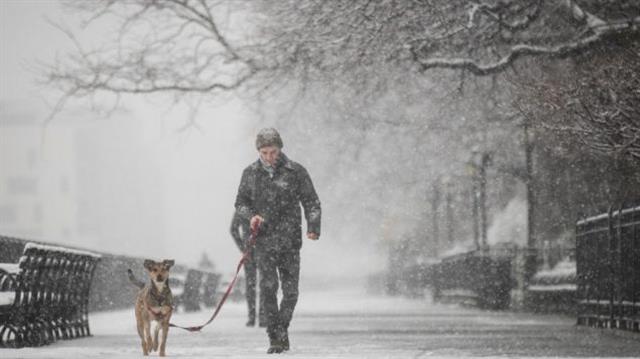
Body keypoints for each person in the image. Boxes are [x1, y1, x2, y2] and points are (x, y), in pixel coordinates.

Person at [234, 128, 321, 354]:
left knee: (291, 292)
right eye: (264, 152)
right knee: (269, 288)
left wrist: (313, 228)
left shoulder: (296, 171)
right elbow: (240, 203)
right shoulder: (250, 174)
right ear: (258, 151)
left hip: (290, 241)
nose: (269, 157)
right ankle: (275, 336)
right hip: (263, 241)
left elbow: (311, 201)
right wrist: (250, 216)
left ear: (280, 149)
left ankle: (282, 327)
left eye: (273, 152)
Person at [230, 210, 265, 327]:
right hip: (262, 250)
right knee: (264, 284)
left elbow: (233, 229)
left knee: (251, 285)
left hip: (249, 250)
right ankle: (262, 317)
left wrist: (242, 247)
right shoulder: (264, 205)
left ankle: (252, 317)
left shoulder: (242, 208)